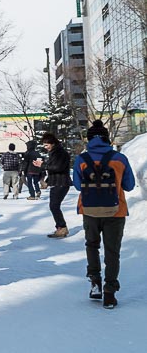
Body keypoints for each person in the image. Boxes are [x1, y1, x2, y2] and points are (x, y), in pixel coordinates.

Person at [72, 120, 135, 309]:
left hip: (89, 210)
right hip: (116, 212)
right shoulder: (119, 158)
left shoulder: (81, 159)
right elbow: (129, 186)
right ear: (107, 139)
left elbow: (77, 186)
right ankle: (109, 292)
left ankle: (95, 283)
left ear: (89, 139)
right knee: (112, 251)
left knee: (92, 245)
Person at [41, 133, 72, 239]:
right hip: (57, 182)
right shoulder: (55, 153)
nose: (45, 147)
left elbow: (58, 167)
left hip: (61, 183)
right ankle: (61, 227)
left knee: (54, 206)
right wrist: (48, 181)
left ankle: (62, 227)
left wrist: (43, 165)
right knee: (54, 206)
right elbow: (54, 169)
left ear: (53, 143)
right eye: (44, 145)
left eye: (47, 145)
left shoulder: (60, 153)